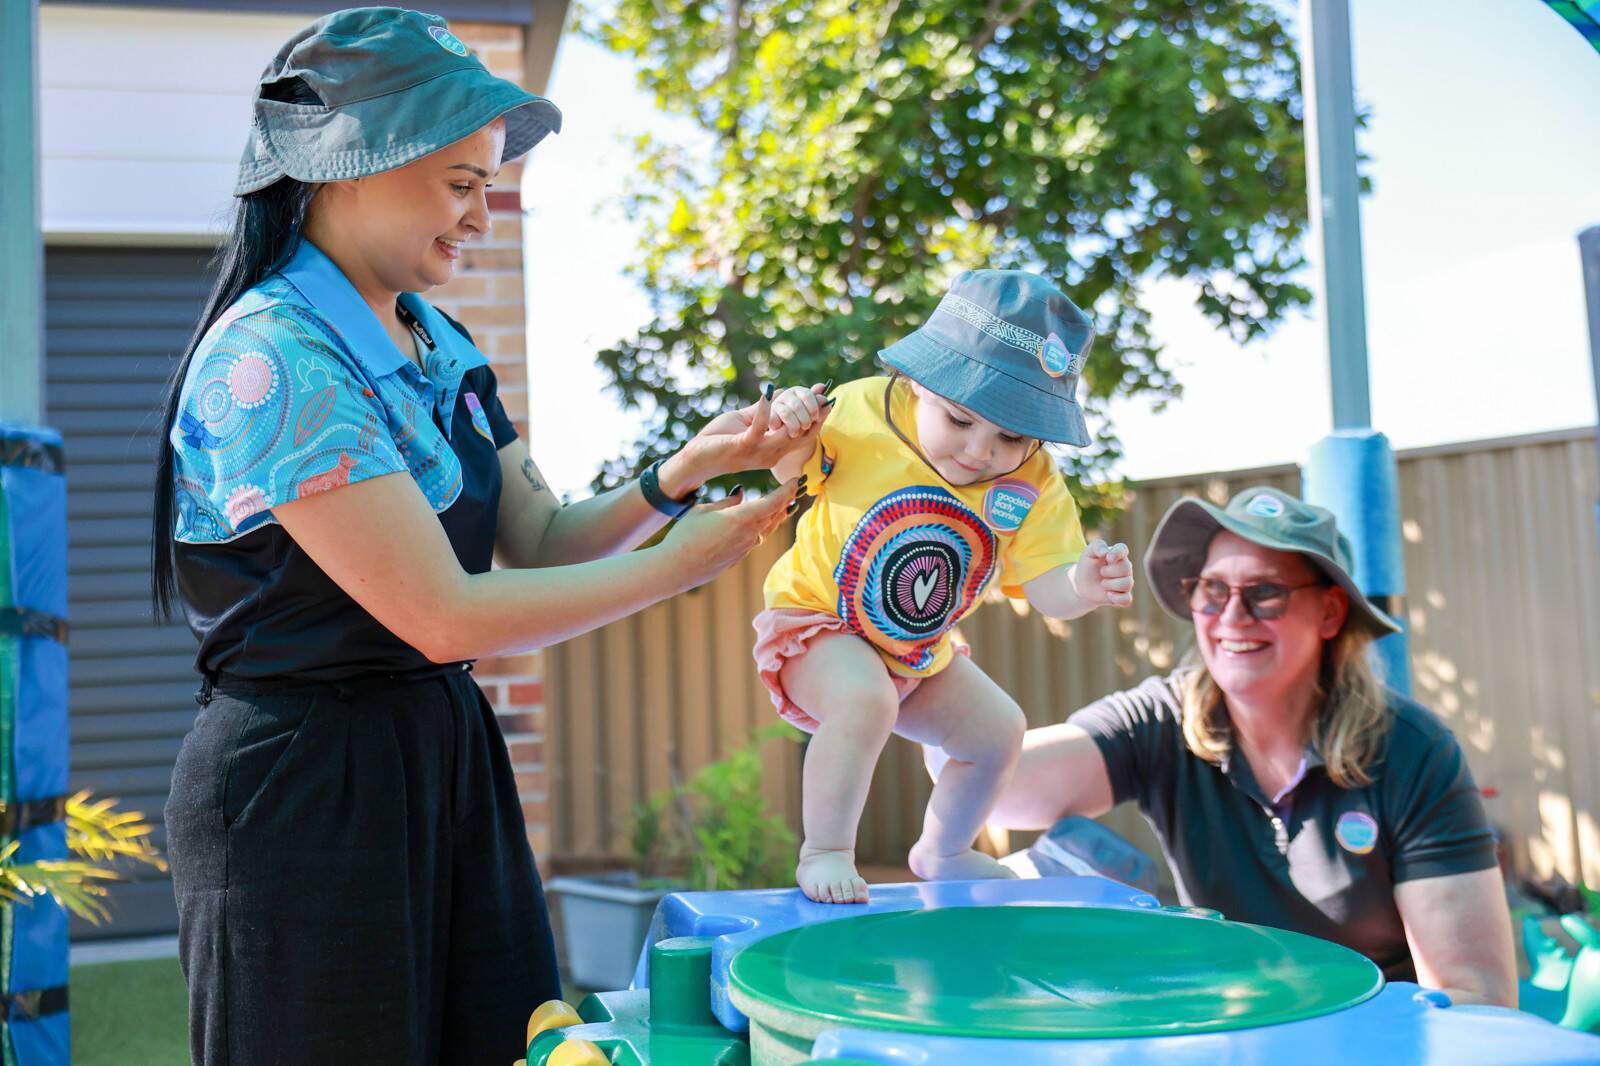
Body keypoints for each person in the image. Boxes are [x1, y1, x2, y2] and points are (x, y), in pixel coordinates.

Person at [152, 10, 809, 1063]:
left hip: (443, 756)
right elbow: (443, 613)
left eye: (488, 186)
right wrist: (678, 566)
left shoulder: (435, 338)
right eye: (462, 184)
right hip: (302, 792)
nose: (483, 216)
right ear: (347, 164)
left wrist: (682, 474)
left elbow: (541, 538)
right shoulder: (271, 361)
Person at [977, 486, 1516, 1006]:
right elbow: (998, 789)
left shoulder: (1411, 752)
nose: (1232, 617)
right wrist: (934, 678)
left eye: (1265, 593)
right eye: (1213, 590)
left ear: (1330, 613)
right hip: (1233, 1032)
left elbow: (1474, 999)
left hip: (1374, 1039)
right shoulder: (1165, 720)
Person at [753, 269, 1136, 905]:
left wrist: (1084, 582)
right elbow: (789, 469)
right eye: (960, 420)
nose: (980, 451)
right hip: (817, 623)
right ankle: (824, 850)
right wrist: (790, 425)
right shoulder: (863, 410)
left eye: (1011, 436)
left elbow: (1047, 589)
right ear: (918, 383)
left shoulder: (1031, 482)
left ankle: (945, 850)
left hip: (917, 652)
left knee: (999, 731)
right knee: (863, 699)